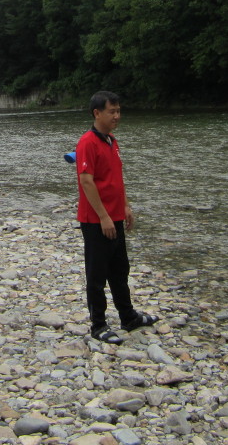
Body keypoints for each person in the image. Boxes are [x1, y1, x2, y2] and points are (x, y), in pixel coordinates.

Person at [75, 91, 159, 344]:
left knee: (120, 269)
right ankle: (98, 325)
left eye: (118, 111)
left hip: (115, 216)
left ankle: (128, 316)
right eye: (111, 111)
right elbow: (86, 181)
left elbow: (116, 178)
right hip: (96, 220)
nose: (117, 116)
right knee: (97, 274)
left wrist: (126, 206)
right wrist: (103, 217)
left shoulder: (112, 141)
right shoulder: (87, 142)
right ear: (97, 113)